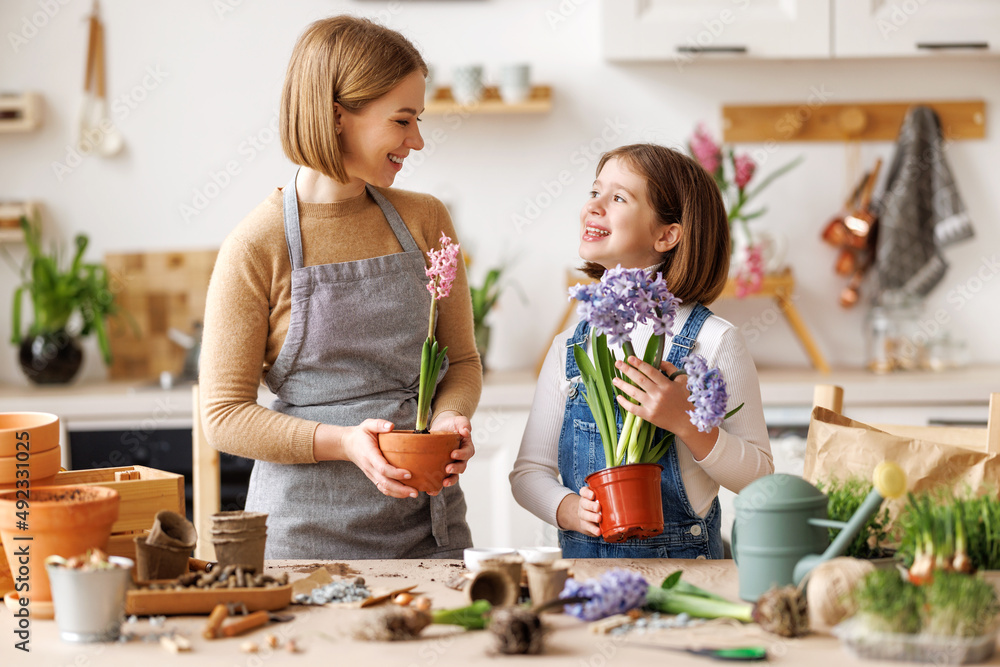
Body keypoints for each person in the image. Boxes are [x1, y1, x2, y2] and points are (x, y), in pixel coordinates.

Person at [199, 16, 481, 560]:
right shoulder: (256, 246)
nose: (417, 141)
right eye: (402, 121)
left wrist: (448, 419)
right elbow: (224, 416)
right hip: (305, 539)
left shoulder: (425, 219)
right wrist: (347, 442)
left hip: (431, 527)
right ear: (335, 116)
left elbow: (462, 361)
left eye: (418, 120)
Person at [510, 144, 773, 559]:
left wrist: (689, 425)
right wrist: (569, 510)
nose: (594, 206)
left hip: (688, 578)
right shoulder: (570, 347)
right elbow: (529, 473)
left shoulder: (715, 341)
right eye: (594, 192)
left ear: (667, 234)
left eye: (618, 198)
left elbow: (760, 479)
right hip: (587, 580)